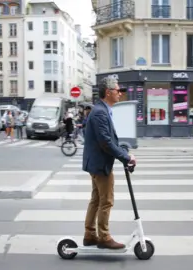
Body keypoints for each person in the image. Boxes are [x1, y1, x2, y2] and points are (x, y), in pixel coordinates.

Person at [82, 77, 136, 249]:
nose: (120, 94)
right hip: (100, 164)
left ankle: (90, 235)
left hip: (97, 163)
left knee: (96, 200)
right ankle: (103, 237)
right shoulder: (100, 112)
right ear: (108, 92)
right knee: (106, 201)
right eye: (117, 91)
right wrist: (126, 158)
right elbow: (105, 142)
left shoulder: (102, 111)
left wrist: (123, 152)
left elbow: (108, 140)